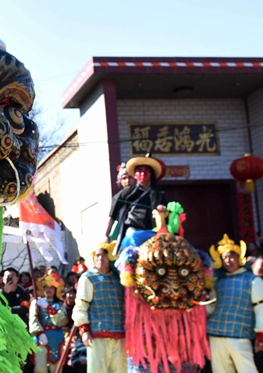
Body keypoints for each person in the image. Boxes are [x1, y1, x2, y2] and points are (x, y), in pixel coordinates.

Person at [206, 234, 263, 373]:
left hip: (239, 335)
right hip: (215, 334)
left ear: (239, 258)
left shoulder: (253, 280)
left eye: (231, 257)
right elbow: (210, 306)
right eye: (224, 258)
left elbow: (262, 307)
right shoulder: (218, 282)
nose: (228, 261)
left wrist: (262, 334)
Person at [72, 242, 126, 373]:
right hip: (97, 334)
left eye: (103, 256)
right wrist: (84, 330)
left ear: (110, 258)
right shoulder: (88, 277)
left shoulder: (119, 279)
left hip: (119, 334)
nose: (100, 258)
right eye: (97, 256)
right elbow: (81, 304)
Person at [106, 155, 165, 254]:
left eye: (146, 170)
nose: (143, 173)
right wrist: (105, 235)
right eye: (139, 170)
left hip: (154, 235)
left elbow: (168, 218)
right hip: (132, 234)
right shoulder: (125, 194)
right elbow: (111, 215)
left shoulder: (160, 196)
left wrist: (163, 211)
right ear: (135, 174)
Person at [29, 275, 69, 372]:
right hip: (41, 337)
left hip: (57, 338)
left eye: (51, 287)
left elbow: (60, 321)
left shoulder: (60, 304)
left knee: (56, 367)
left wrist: (48, 307)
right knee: (40, 367)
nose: (49, 290)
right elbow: (33, 319)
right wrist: (40, 333)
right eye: (46, 287)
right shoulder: (36, 303)